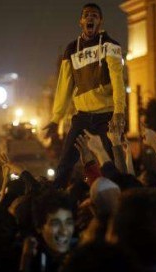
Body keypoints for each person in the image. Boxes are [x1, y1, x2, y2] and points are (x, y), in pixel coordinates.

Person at [44, 3, 126, 189]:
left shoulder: (111, 46)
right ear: (81, 21)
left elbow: (117, 81)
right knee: (65, 164)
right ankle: (55, 201)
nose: (90, 18)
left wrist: (119, 111)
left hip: (106, 116)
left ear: (100, 21)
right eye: (87, 15)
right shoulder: (71, 49)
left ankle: (115, 199)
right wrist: (56, 119)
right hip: (81, 118)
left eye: (95, 15)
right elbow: (64, 86)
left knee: (110, 163)